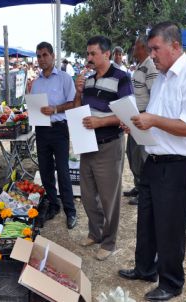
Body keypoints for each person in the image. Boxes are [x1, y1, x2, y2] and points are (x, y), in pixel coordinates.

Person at [118, 21, 186, 301]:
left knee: (170, 228)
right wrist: (137, 125)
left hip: (178, 166)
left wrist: (153, 119)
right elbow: (157, 119)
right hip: (154, 160)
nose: (152, 55)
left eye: (156, 49)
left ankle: (171, 283)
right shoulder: (161, 77)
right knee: (146, 220)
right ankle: (145, 268)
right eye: (150, 49)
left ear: (175, 46)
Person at [75, 36, 134, 260]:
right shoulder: (88, 80)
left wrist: (100, 122)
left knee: (110, 197)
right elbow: (79, 108)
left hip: (109, 144)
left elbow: (127, 115)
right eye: (87, 53)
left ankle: (109, 242)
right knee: (88, 195)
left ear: (106, 54)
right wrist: (78, 91)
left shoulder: (122, 78)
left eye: (93, 53)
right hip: (87, 143)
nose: (88, 57)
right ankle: (95, 232)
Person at [30, 41, 77, 230]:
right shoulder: (36, 82)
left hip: (59, 128)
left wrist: (55, 109)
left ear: (52, 56)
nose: (41, 59)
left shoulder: (65, 78)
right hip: (41, 130)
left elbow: (73, 102)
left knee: (63, 171)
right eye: (39, 56)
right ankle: (53, 204)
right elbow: (34, 105)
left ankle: (70, 210)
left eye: (44, 55)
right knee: (45, 169)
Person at [125, 36, 159, 205]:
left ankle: (144, 191)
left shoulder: (150, 66)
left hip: (143, 117)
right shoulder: (140, 65)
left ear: (144, 48)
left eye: (136, 46)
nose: (134, 49)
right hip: (135, 117)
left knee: (141, 156)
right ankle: (138, 185)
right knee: (131, 153)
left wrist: (148, 119)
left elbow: (155, 95)